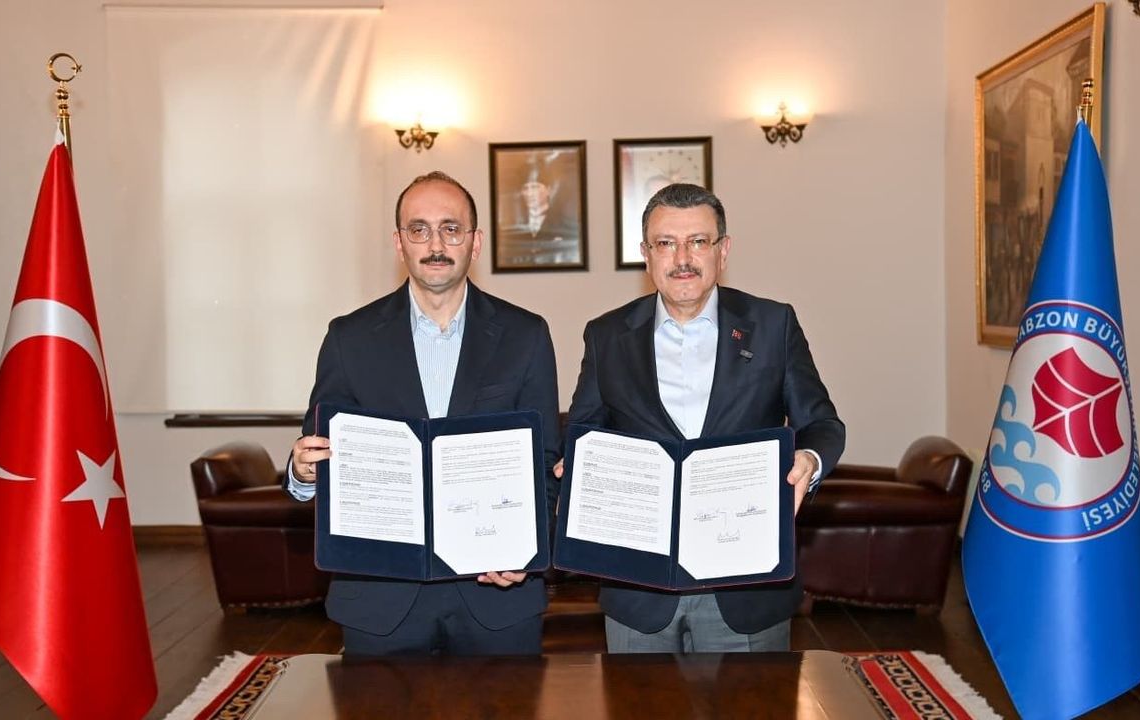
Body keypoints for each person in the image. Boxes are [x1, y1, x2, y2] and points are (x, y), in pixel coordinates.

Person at [285, 170, 560, 655]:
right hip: (380, 595)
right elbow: (320, 450)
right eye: (419, 229)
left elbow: (545, 463)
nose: (436, 244)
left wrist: (527, 549)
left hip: (494, 592)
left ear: (474, 242)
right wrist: (303, 472)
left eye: (451, 229)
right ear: (399, 243)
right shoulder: (349, 338)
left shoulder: (526, 335)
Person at [563, 183, 844, 653]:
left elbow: (822, 424)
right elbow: (584, 430)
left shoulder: (773, 325)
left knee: (754, 698)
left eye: (697, 241)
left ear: (722, 250)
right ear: (646, 255)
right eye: (666, 243)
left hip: (745, 584)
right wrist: (578, 465)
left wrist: (810, 461)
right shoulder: (606, 335)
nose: (682, 258)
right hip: (639, 586)